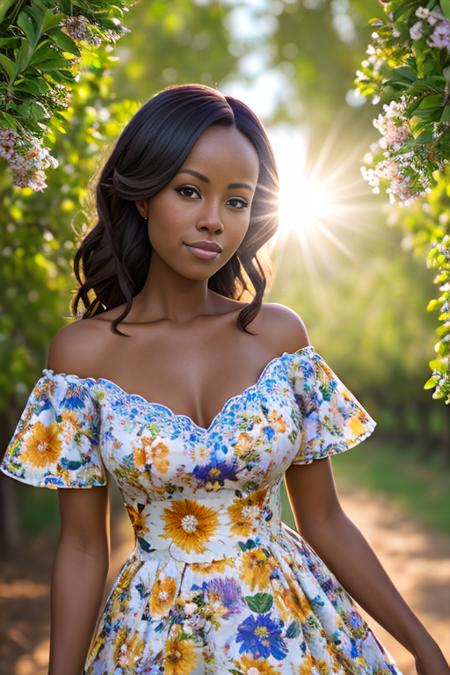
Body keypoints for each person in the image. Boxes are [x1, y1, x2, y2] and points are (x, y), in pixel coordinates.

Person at [1, 83, 448, 675]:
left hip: (289, 632)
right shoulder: (81, 356)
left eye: (238, 201)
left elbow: (325, 519)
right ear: (141, 195)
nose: (213, 221)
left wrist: (424, 645)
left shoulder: (280, 338)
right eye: (189, 192)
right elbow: (83, 547)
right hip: (155, 642)